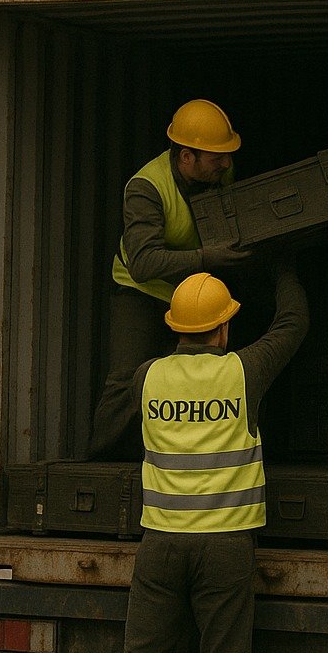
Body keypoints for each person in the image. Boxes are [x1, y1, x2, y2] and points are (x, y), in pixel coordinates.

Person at [101, 267, 308, 653]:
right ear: (223, 328)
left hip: (160, 543)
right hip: (225, 545)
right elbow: (293, 324)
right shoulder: (244, 371)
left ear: (174, 326)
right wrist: (283, 268)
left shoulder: (147, 377)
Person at [84, 98, 254, 461]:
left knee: (204, 376)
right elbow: (143, 264)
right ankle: (100, 466)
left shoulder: (220, 173)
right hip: (143, 291)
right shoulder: (146, 187)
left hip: (195, 293)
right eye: (217, 157)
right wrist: (207, 258)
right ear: (186, 156)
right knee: (127, 381)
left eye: (228, 155)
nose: (226, 164)